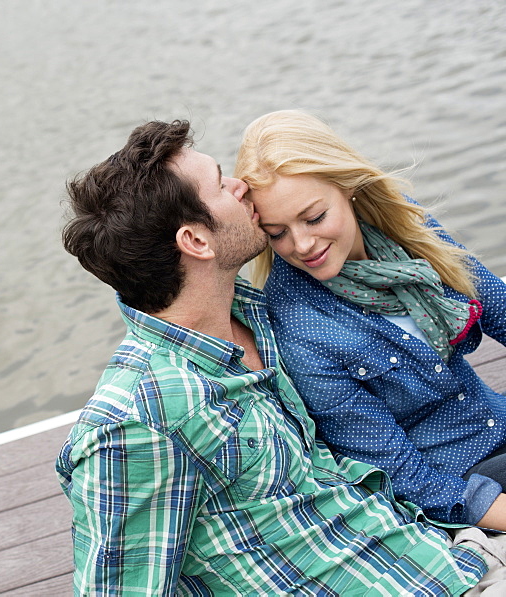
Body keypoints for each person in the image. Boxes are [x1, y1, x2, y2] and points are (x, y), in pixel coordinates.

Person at [56, 117, 496, 595]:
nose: (240, 186)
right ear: (196, 241)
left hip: (442, 560)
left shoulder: (252, 320)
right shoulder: (139, 421)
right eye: (220, 182)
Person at [234, 109, 506, 534]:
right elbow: (398, 475)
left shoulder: (406, 226)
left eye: (314, 217)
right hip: (456, 487)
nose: (302, 245)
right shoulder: (300, 326)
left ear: (349, 189)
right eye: (277, 232)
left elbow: (496, 305)